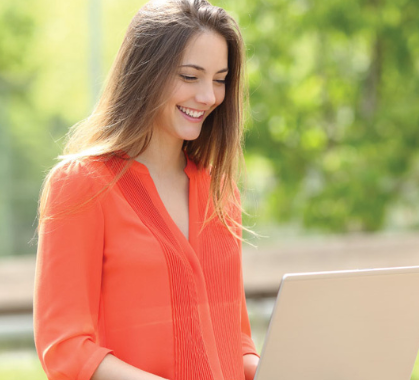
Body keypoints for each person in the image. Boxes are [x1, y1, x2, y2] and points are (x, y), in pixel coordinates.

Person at [33, 1, 260, 379]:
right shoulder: (81, 184)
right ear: (145, 74)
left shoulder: (220, 190)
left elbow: (231, 338)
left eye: (219, 79)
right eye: (190, 76)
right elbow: (66, 347)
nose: (208, 96)